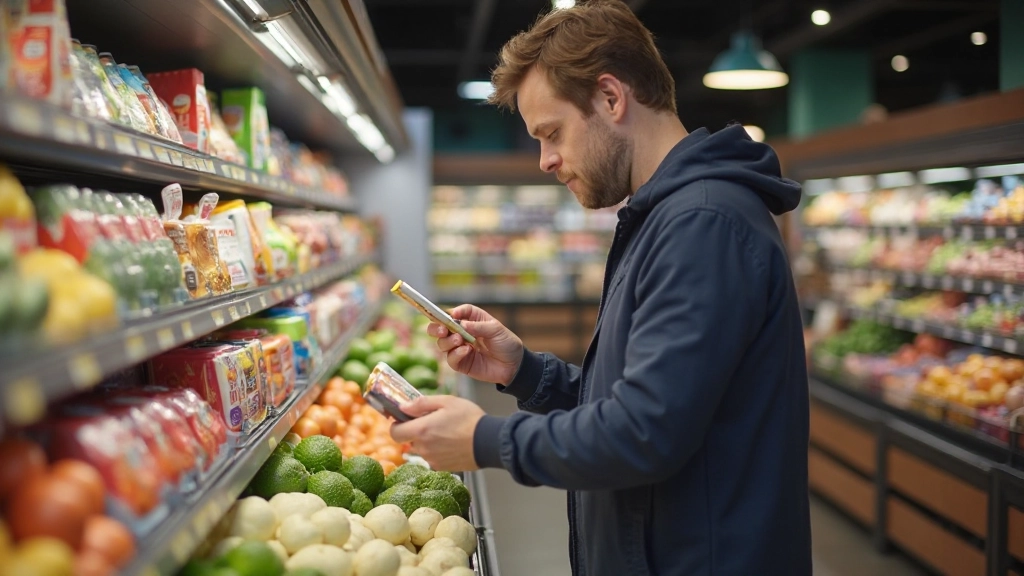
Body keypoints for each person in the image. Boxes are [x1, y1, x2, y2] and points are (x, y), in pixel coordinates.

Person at [390, 1, 811, 574]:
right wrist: (525, 372)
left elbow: (643, 433)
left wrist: (486, 440)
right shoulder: (664, 216)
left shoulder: (703, 223)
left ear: (612, 98)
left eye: (551, 132)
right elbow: (641, 400)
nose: (545, 160)